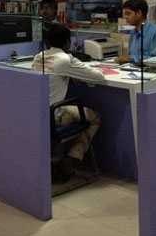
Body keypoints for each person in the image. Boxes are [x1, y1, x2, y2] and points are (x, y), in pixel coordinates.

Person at [32, 24, 105, 176]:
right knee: (95, 117)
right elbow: (99, 76)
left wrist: (69, 74)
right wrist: (71, 72)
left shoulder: (39, 57)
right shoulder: (66, 60)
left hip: (37, 114)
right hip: (55, 116)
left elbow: (53, 74)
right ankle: (73, 159)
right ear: (67, 42)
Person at [115, 0, 156, 64]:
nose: (125, 17)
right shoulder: (133, 32)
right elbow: (131, 55)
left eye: (128, 13)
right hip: (133, 68)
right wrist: (124, 59)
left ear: (139, 13)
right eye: (125, 14)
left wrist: (131, 58)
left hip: (151, 69)